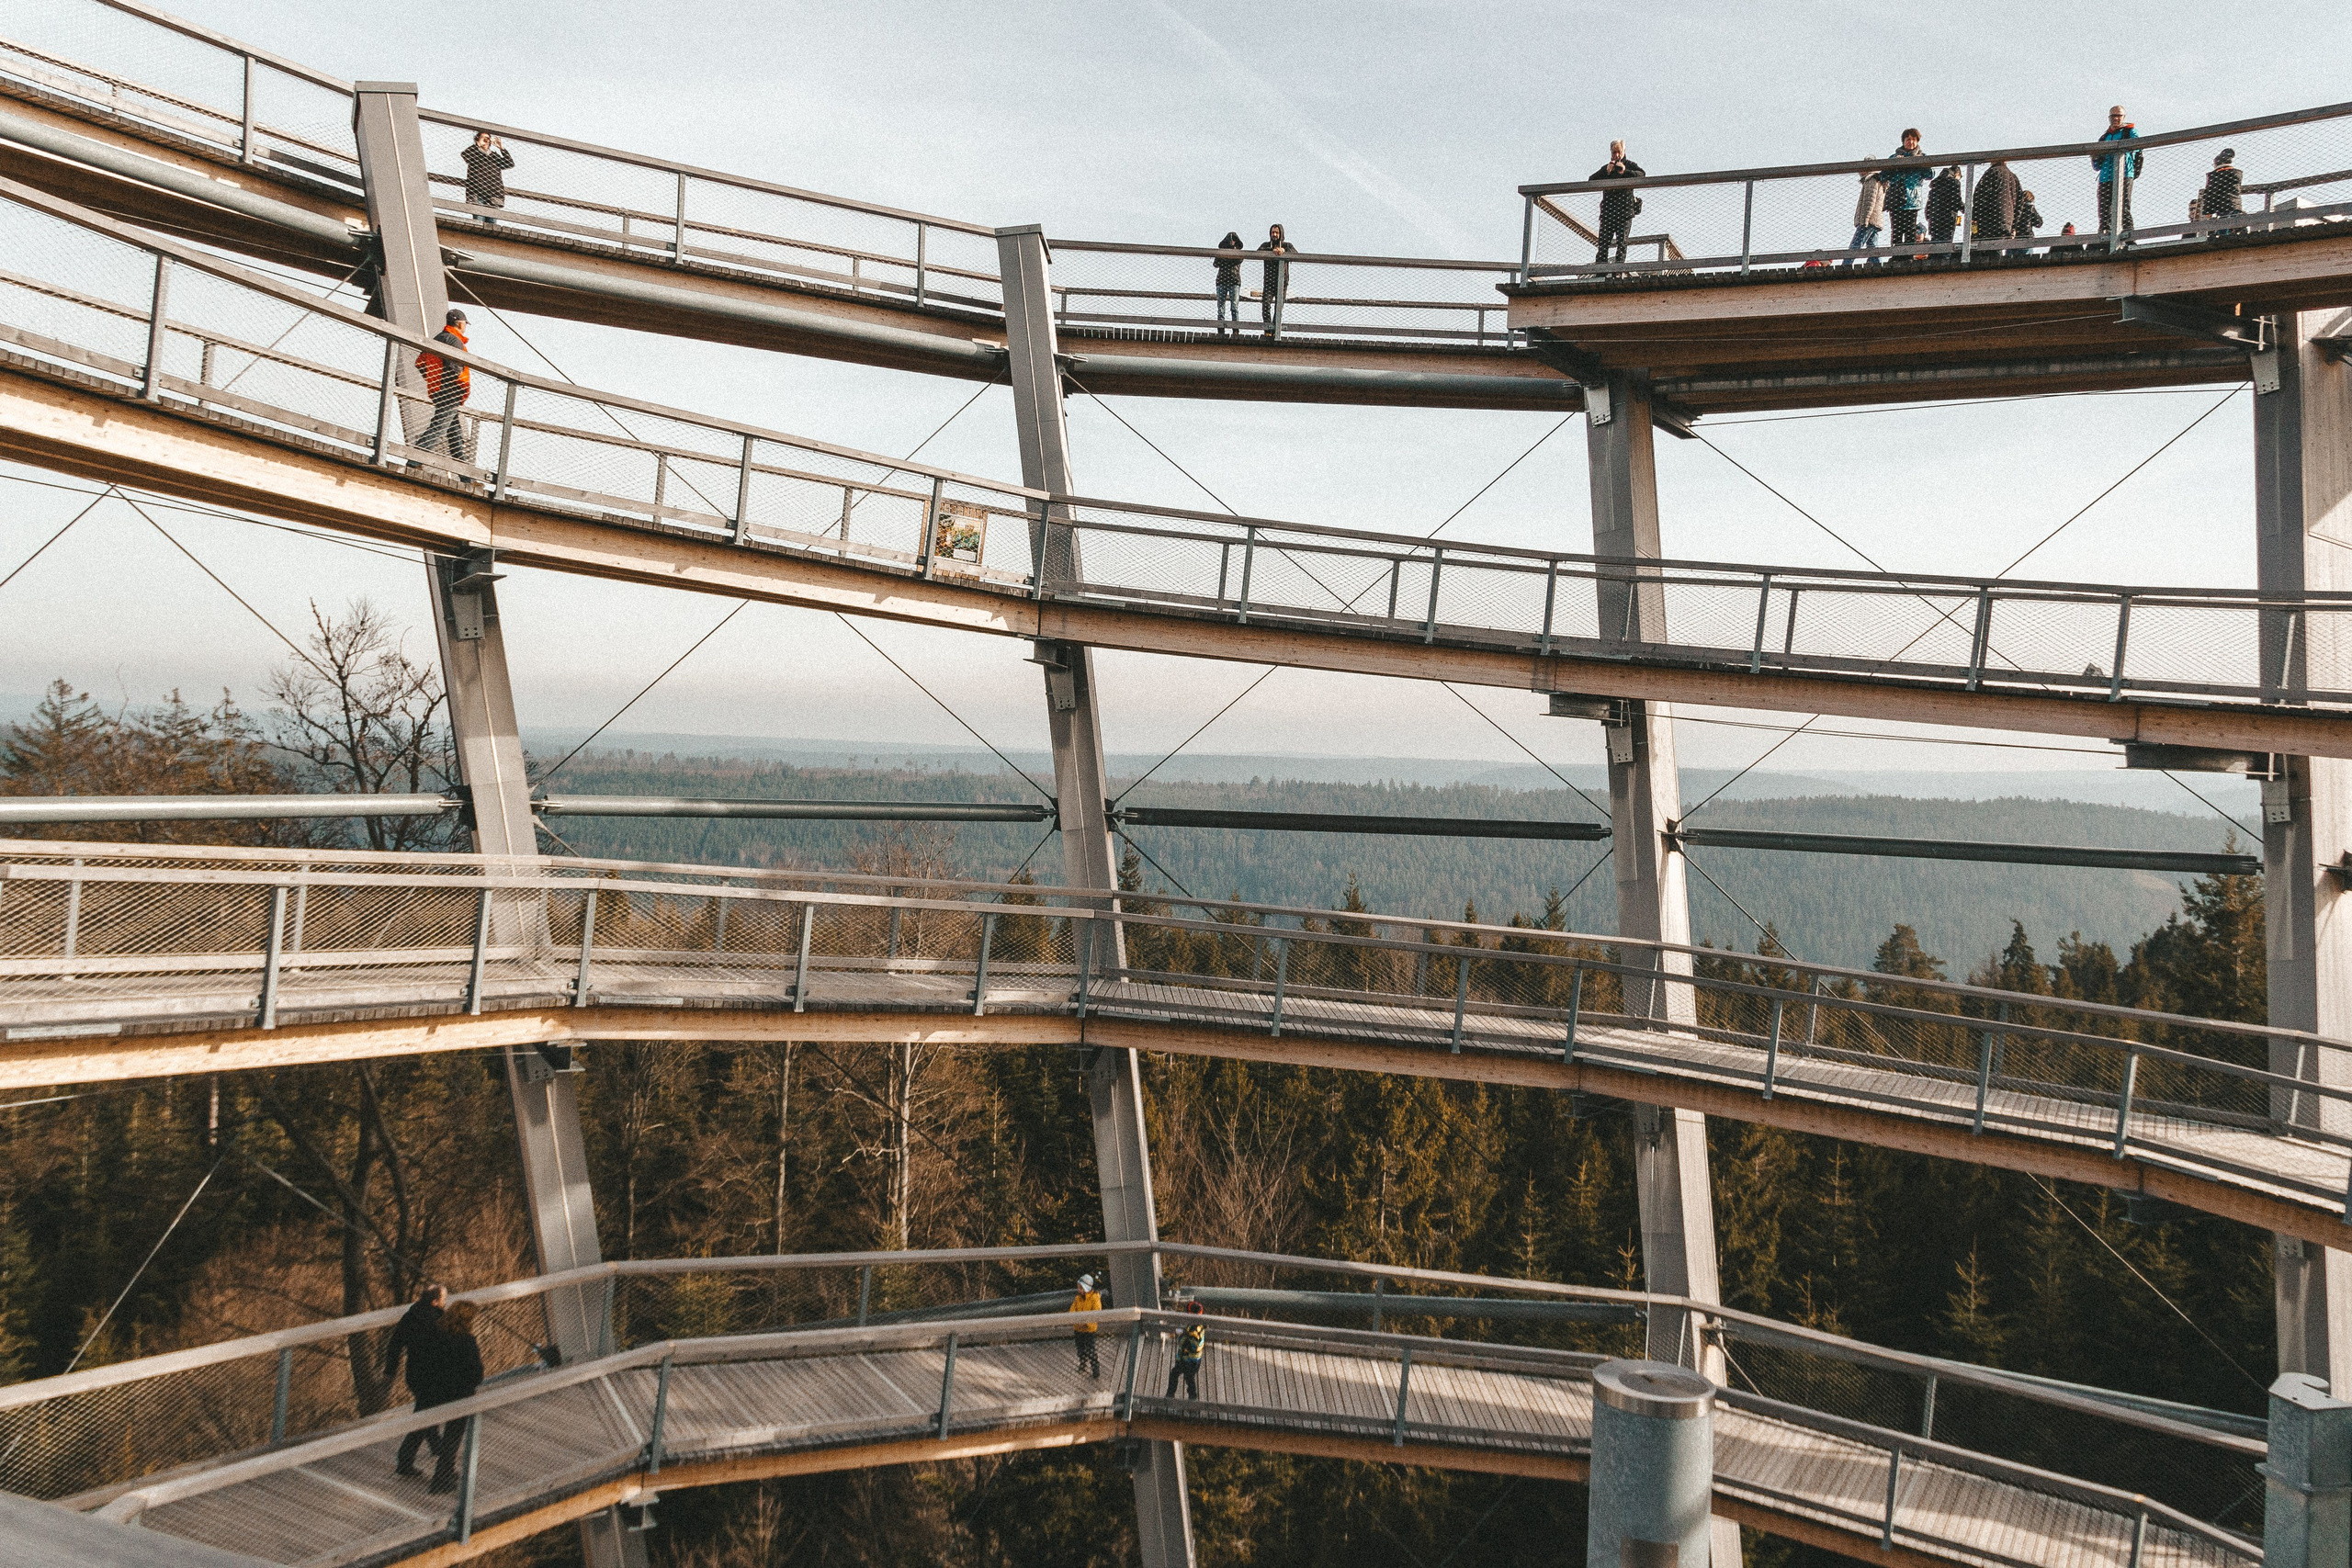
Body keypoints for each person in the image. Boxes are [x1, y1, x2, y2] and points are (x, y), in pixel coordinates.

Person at [419, 1301, 486, 1495]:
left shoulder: (435, 1336)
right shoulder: (466, 1341)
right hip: (458, 1395)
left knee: (437, 1430)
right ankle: (442, 1478)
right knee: (452, 1436)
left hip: (434, 1392)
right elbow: (477, 1374)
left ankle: (443, 1472)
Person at [386, 1284, 447, 1478]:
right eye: (444, 1297)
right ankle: (405, 1460)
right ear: (435, 1301)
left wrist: (390, 1370)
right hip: (432, 1375)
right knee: (424, 1415)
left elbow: (395, 1344)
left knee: (426, 1408)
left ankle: (436, 1446)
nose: (446, 1300)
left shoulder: (411, 1316)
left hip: (414, 1374)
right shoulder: (438, 1320)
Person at [414, 308, 472, 465]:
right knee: (438, 427)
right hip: (451, 391)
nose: (465, 326)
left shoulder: (437, 338)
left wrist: (434, 379)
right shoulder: (455, 340)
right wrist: (453, 385)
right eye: (465, 323)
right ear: (460, 323)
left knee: (455, 435)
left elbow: (420, 363)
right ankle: (414, 460)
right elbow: (456, 368)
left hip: (438, 390)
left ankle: (465, 476)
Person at [1590, 140, 1645, 267]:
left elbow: (1642, 175)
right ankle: (1600, 271)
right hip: (1608, 213)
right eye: (1613, 152)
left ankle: (1618, 271)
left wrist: (1625, 171)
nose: (1616, 155)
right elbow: (1591, 180)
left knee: (1622, 243)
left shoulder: (1630, 165)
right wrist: (1606, 172)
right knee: (1603, 244)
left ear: (1623, 152)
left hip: (1624, 212)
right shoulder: (1607, 168)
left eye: (1618, 152)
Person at [2093, 105, 2143, 238]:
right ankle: (2104, 237)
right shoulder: (2104, 137)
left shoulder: (2130, 132)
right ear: (2109, 118)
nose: (2115, 119)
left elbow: (2136, 147)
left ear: (2123, 117)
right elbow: (2097, 165)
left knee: (2124, 206)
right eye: (2113, 116)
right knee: (2104, 210)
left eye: (2118, 116)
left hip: (2125, 173)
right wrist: (2096, 156)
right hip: (2106, 176)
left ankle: (2129, 236)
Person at [1882, 130, 1930, 249]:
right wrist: (1894, 164)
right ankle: (1896, 255)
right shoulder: (1894, 157)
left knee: (1910, 229)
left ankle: (1908, 256)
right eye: (1908, 139)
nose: (1911, 142)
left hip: (1912, 199)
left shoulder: (1922, 157)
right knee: (1897, 229)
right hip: (1896, 198)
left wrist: (1921, 163)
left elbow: (1930, 174)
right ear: (1903, 141)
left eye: (1914, 139)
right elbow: (1883, 176)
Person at [462, 131, 513, 223]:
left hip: (493, 195)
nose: (486, 141)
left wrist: (502, 148)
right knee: (478, 224)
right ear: (477, 139)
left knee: (492, 227)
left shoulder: (494, 156)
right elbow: (465, 155)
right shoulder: (474, 153)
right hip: (477, 194)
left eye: (488, 139)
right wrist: (477, 145)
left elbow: (509, 163)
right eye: (483, 138)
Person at [1255, 224, 1295, 339]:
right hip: (1269, 281)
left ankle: (1274, 329)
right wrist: (1272, 251)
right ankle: (1268, 328)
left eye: (1277, 232)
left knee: (1279, 307)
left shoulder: (1287, 245)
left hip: (1282, 281)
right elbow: (1258, 253)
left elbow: (1296, 254)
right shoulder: (1266, 245)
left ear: (1281, 234)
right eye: (1273, 232)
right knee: (1266, 305)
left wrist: (1284, 251)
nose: (1274, 235)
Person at [1971, 159, 2021, 243]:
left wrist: (1975, 219)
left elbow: (1979, 196)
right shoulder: (2014, 178)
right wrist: (2013, 225)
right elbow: (2019, 204)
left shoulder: (1992, 172)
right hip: (2006, 222)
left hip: (1988, 220)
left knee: (1980, 249)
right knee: (1997, 248)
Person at [1163, 1300, 1206, 1400]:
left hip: (1189, 1360)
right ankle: (1187, 1398)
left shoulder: (1194, 1329)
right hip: (1191, 1359)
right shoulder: (1198, 1326)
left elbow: (1192, 1345)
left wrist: (1183, 1336)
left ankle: (1188, 1398)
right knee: (1185, 1377)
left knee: (1186, 1377)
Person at [2197, 148, 2244, 235]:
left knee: (2223, 225)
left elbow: (2210, 194)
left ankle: (2223, 236)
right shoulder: (2236, 174)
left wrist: (2208, 211)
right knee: (2233, 223)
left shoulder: (2215, 176)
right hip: (2236, 205)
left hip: (2222, 205)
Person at [1069, 1272, 1103, 1378]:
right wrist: (1076, 1321)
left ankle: (1095, 1368)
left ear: (1086, 1288)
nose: (1079, 1290)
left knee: (1091, 1349)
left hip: (1089, 1330)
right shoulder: (1078, 1298)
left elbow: (1096, 1313)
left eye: (1081, 1288)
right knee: (1080, 1348)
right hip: (1078, 1328)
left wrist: (1086, 1323)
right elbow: (1072, 1311)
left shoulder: (1094, 1298)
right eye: (1078, 1288)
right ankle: (1082, 1364)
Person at [1848, 169, 1886, 261]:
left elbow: (1869, 202)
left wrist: (1864, 220)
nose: (1860, 172)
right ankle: (1878, 266)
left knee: (1855, 245)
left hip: (1869, 220)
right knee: (1873, 247)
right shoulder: (1878, 180)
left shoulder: (1871, 180)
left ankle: (1846, 265)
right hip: (1874, 219)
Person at [1926, 165, 1965, 246]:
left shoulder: (1936, 183)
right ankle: (1945, 258)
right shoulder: (1954, 182)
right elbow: (1956, 200)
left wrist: (1928, 216)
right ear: (1957, 174)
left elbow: (1929, 203)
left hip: (1934, 219)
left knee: (1935, 243)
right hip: (1948, 218)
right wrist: (1966, 209)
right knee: (1946, 244)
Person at [1213, 231, 1244, 335]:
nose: (1232, 242)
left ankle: (1235, 329)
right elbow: (1215, 263)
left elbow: (1238, 260)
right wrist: (1228, 258)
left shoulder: (1239, 252)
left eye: (1234, 239)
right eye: (1230, 239)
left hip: (1234, 281)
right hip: (1222, 280)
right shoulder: (1222, 251)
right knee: (1221, 307)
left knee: (1234, 307)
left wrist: (1225, 258)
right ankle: (1221, 329)